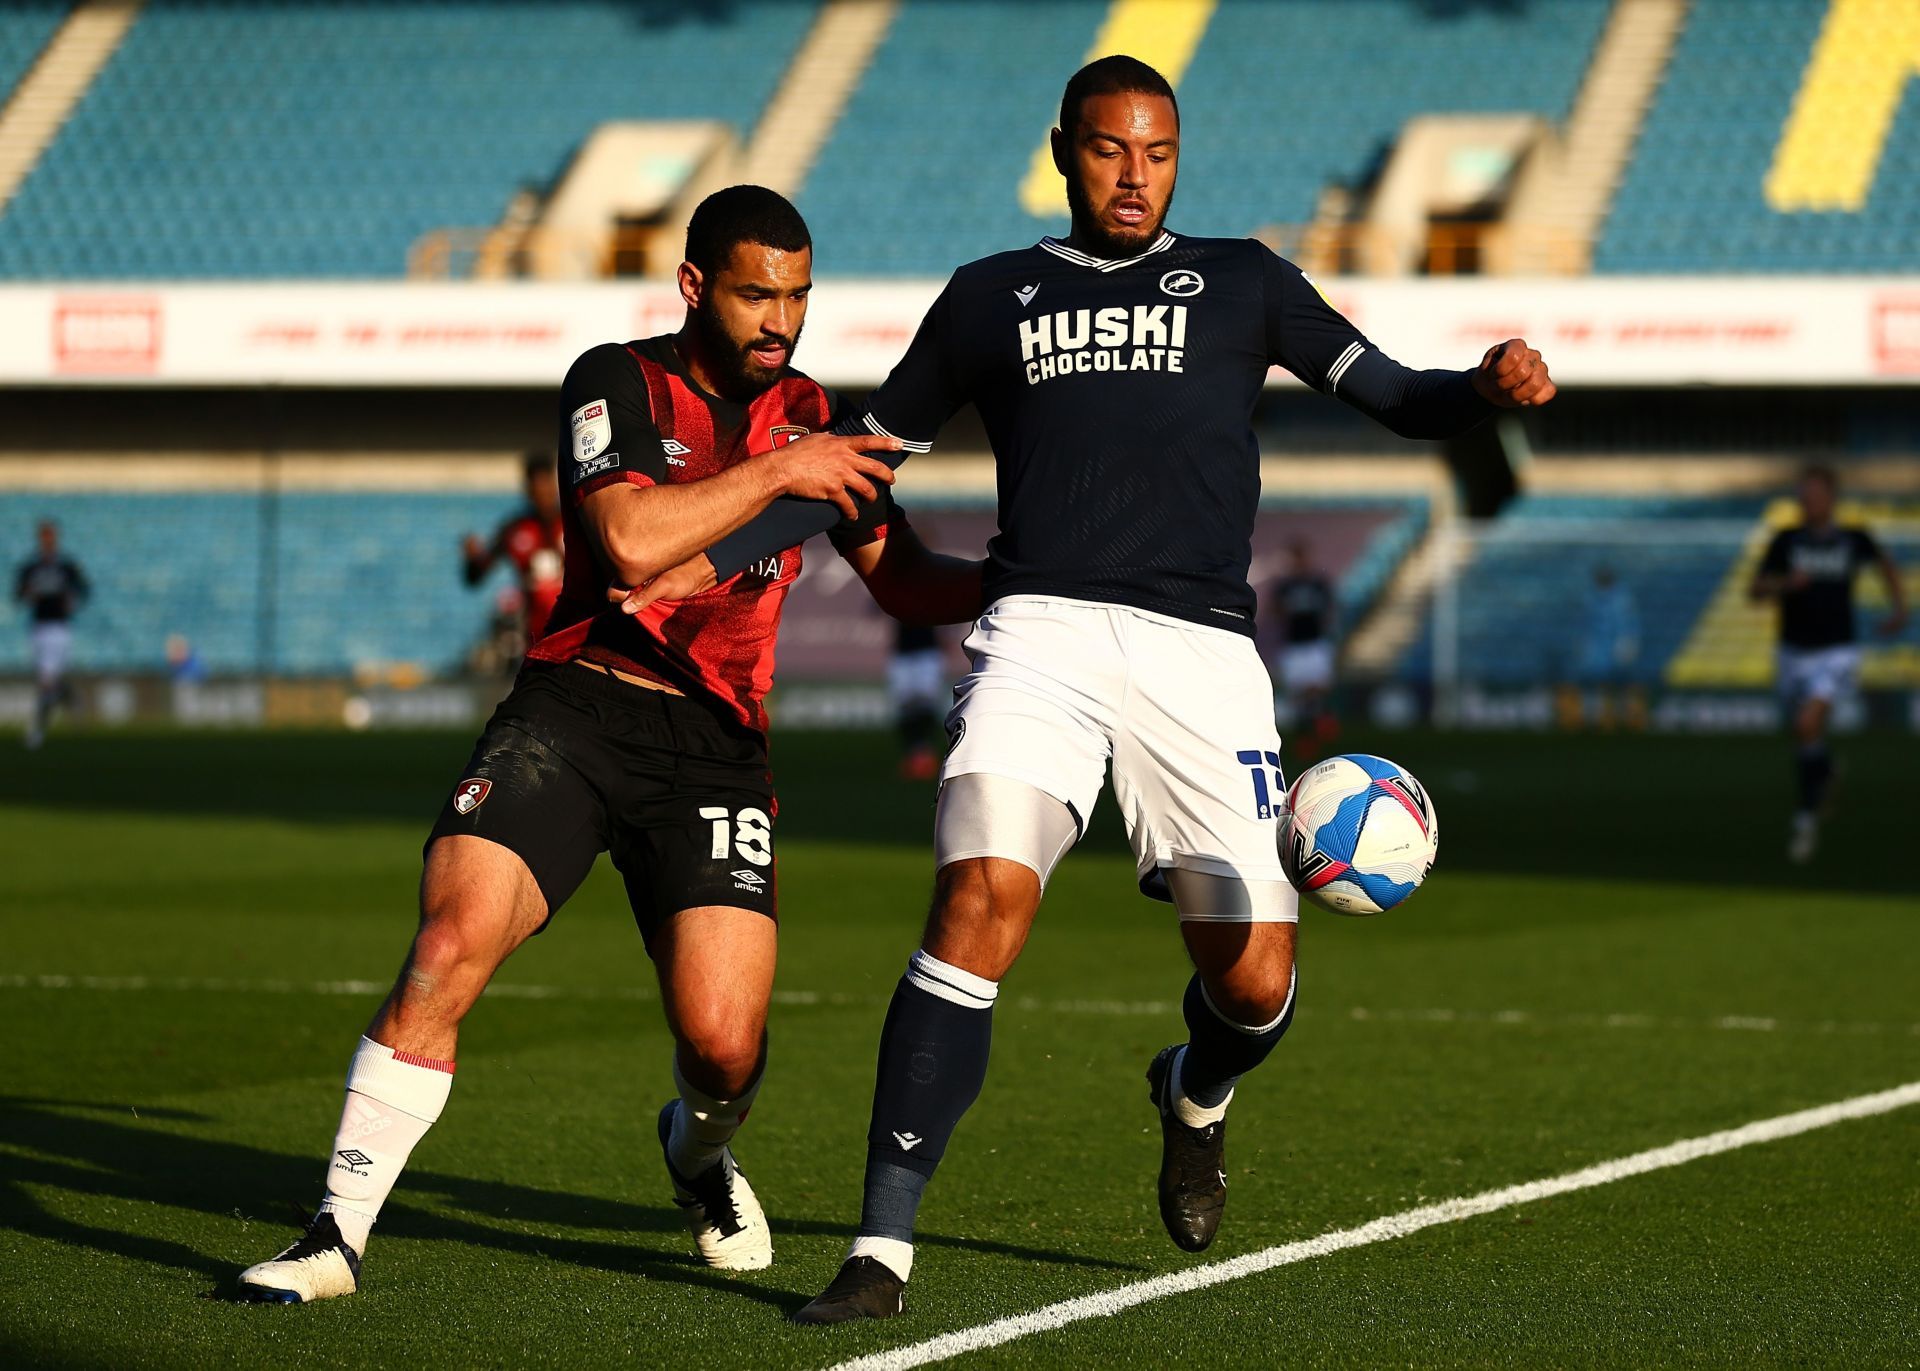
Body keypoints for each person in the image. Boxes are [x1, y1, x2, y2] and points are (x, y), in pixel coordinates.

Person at [642, 57, 1556, 1322]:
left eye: (1160, 152)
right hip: (1041, 637)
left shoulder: (1247, 282)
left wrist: (1483, 390)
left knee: (1252, 984)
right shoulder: (988, 298)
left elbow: (1398, 397)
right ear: (1065, 150)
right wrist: (708, 555)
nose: (1137, 174)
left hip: (1202, 658)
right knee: (977, 901)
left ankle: (1195, 1090)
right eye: (1113, 149)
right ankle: (879, 1252)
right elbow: (854, 463)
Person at [236, 185, 981, 1302]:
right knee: (448, 948)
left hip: (717, 751)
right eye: (753, 294)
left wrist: (1021, 573)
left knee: (726, 1050)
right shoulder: (617, 382)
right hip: (572, 715)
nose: (780, 319)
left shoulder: (816, 410)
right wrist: (785, 469)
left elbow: (905, 582)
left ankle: (697, 1152)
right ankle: (332, 1237)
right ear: (694, 287)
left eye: (797, 295)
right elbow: (629, 543)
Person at [1748, 465, 1906, 863]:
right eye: (1803, 494)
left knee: (1806, 724)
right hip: (1792, 650)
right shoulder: (1786, 540)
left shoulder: (1853, 538)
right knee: (1804, 735)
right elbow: (1756, 589)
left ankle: (1805, 820)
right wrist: (1785, 584)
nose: (1807, 501)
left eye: (1814, 494)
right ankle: (1826, 768)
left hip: (1837, 650)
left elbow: (1886, 565)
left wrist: (1899, 607)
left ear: (1830, 498)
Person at [462, 451, 566, 653]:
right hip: (534, 634)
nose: (543, 495)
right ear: (528, 491)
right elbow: (475, 577)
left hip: (573, 629)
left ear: (555, 487)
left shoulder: (575, 523)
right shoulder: (514, 529)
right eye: (537, 489)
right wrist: (472, 560)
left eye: (547, 487)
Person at [15, 520, 89, 750]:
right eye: (44, 536)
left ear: (55, 538)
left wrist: (72, 603)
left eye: (51, 536)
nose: (47, 540)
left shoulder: (66, 566)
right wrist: (27, 595)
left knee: (46, 683)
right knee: (48, 681)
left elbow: (84, 590)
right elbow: (19, 594)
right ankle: (70, 696)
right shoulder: (31, 568)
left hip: (59, 628)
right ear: (40, 539)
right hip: (38, 627)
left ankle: (36, 732)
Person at [1267, 537, 1339, 758]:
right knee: (1300, 693)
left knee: (1317, 688)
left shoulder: (1318, 583)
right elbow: (1274, 611)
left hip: (1315, 642)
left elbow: (1330, 609)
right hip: (1294, 645)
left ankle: (1320, 727)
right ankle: (1308, 738)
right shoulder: (1284, 586)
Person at [1572, 565, 1640, 729]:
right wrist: (1582, 644)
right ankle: (1591, 720)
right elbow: (1583, 625)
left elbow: (1630, 624)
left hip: (1615, 649)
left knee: (1619, 686)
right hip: (1596, 651)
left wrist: (1629, 642)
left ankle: (1622, 719)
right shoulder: (1590, 598)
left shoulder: (1622, 598)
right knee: (1593, 685)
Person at [890, 620, 947, 779]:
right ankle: (912, 755)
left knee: (926, 704)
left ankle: (925, 754)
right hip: (903, 651)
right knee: (906, 706)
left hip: (927, 651)